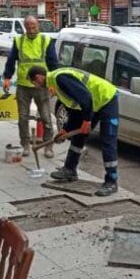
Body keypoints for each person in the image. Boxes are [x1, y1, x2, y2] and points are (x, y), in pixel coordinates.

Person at [28, 65, 119, 197]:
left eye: (35, 83)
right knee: (79, 136)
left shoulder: (60, 79)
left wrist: (87, 121)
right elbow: (75, 113)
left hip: (106, 98)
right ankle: (70, 170)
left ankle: (111, 182)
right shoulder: (57, 86)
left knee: (107, 140)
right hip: (93, 103)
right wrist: (65, 130)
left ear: (38, 78)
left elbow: (86, 98)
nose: (37, 87)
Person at [2, 15, 58, 158]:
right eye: (29, 28)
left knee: (46, 117)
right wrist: (7, 78)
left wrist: (53, 84)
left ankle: (47, 146)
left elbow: (53, 65)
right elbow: (11, 60)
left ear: (38, 26)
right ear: (25, 28)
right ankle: (25, 144)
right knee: (23, 118)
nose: (32, 30)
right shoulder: (19, 41)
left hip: (42, 86)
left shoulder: (46, 41)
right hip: (23, 86)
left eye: (34, 27)